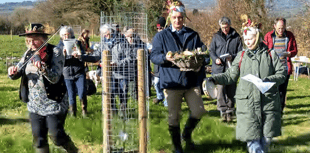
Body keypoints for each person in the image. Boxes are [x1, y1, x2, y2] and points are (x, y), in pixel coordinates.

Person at [207, 15, 286, 153]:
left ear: (258, 37)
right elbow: (230, 75)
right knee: (254, 146)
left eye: (250, 39)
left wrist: (268, 80)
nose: (248, 42)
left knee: (265, 141)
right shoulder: (241, 55)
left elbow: (282, 74)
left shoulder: (270, 54)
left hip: (268, 105)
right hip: (248, 107)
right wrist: (215, 79)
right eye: (245, 40)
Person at [8, 23, 78, 152]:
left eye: (35, 39)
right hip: (35, 104)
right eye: (28, 40)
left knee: (56, 137)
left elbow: (55, 78)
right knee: (39, 140)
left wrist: (43, 68)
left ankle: (73, 150)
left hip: (54, 103)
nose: (31, 43)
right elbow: (18, 70)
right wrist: (12, 72)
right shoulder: (28, 53)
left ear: (43, 39)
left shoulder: (56, 52)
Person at [150, 1, 206, 152]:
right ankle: (177, 146)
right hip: (171, 81)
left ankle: (186, 134)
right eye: (174, 17)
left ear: (184, 17)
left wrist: (201, 60)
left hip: (190, 81)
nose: (177, 20)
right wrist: (165, 58)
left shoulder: (193, 35)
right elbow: (154, 56)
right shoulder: (161, 36)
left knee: (199, 110)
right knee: (174, 117)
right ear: (170, 18)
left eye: (180, 17)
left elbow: (202, 52)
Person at [57, 26, 100, 117]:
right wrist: (63, 55)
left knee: (82, 92)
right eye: (64, 35)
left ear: (71, 34)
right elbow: (57, 62)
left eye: (68, 34)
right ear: (61, 36)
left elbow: (84, 55)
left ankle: (84, 111)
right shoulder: (59, 46)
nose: (66, 36)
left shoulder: (77, 43)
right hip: (67, 74)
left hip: (79, 71)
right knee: (71, 95)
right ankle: (73, 113)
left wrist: (80, 56)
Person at [209, 16, 243, 122]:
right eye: (223, 27)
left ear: (230, 25)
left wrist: (232, 57)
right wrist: (215, 59)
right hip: (219, 68)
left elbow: (240, 52)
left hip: (231, 67)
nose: (225, 29)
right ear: (220, 26)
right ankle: (223, 111)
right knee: (220, 91)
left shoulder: (236, 37)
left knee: (231, 90)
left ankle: (230, 110)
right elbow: (211, 51)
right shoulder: (216, 37)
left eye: (226, 27)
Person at [264, 17, 298, 113]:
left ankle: (280, 112)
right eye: (279, 28)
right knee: (272, 91)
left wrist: (290, 53)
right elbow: (264, 50)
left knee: (282, 91)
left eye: (282, 28)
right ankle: (271, 110)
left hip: (285, 68)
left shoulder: (290, 35)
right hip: (272, 68)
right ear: (274, 26)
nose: (281, 30)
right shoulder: (268, 36)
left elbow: (295, 50)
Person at [152, 17, 168, 107]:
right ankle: (159, 97)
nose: (159, 30)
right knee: (156, 83)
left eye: (160, 28)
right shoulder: (156, 37)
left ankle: (166, 102)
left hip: (166, 65)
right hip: (158, 66)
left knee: (166, 85)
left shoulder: (168, 36)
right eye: (157, 28)